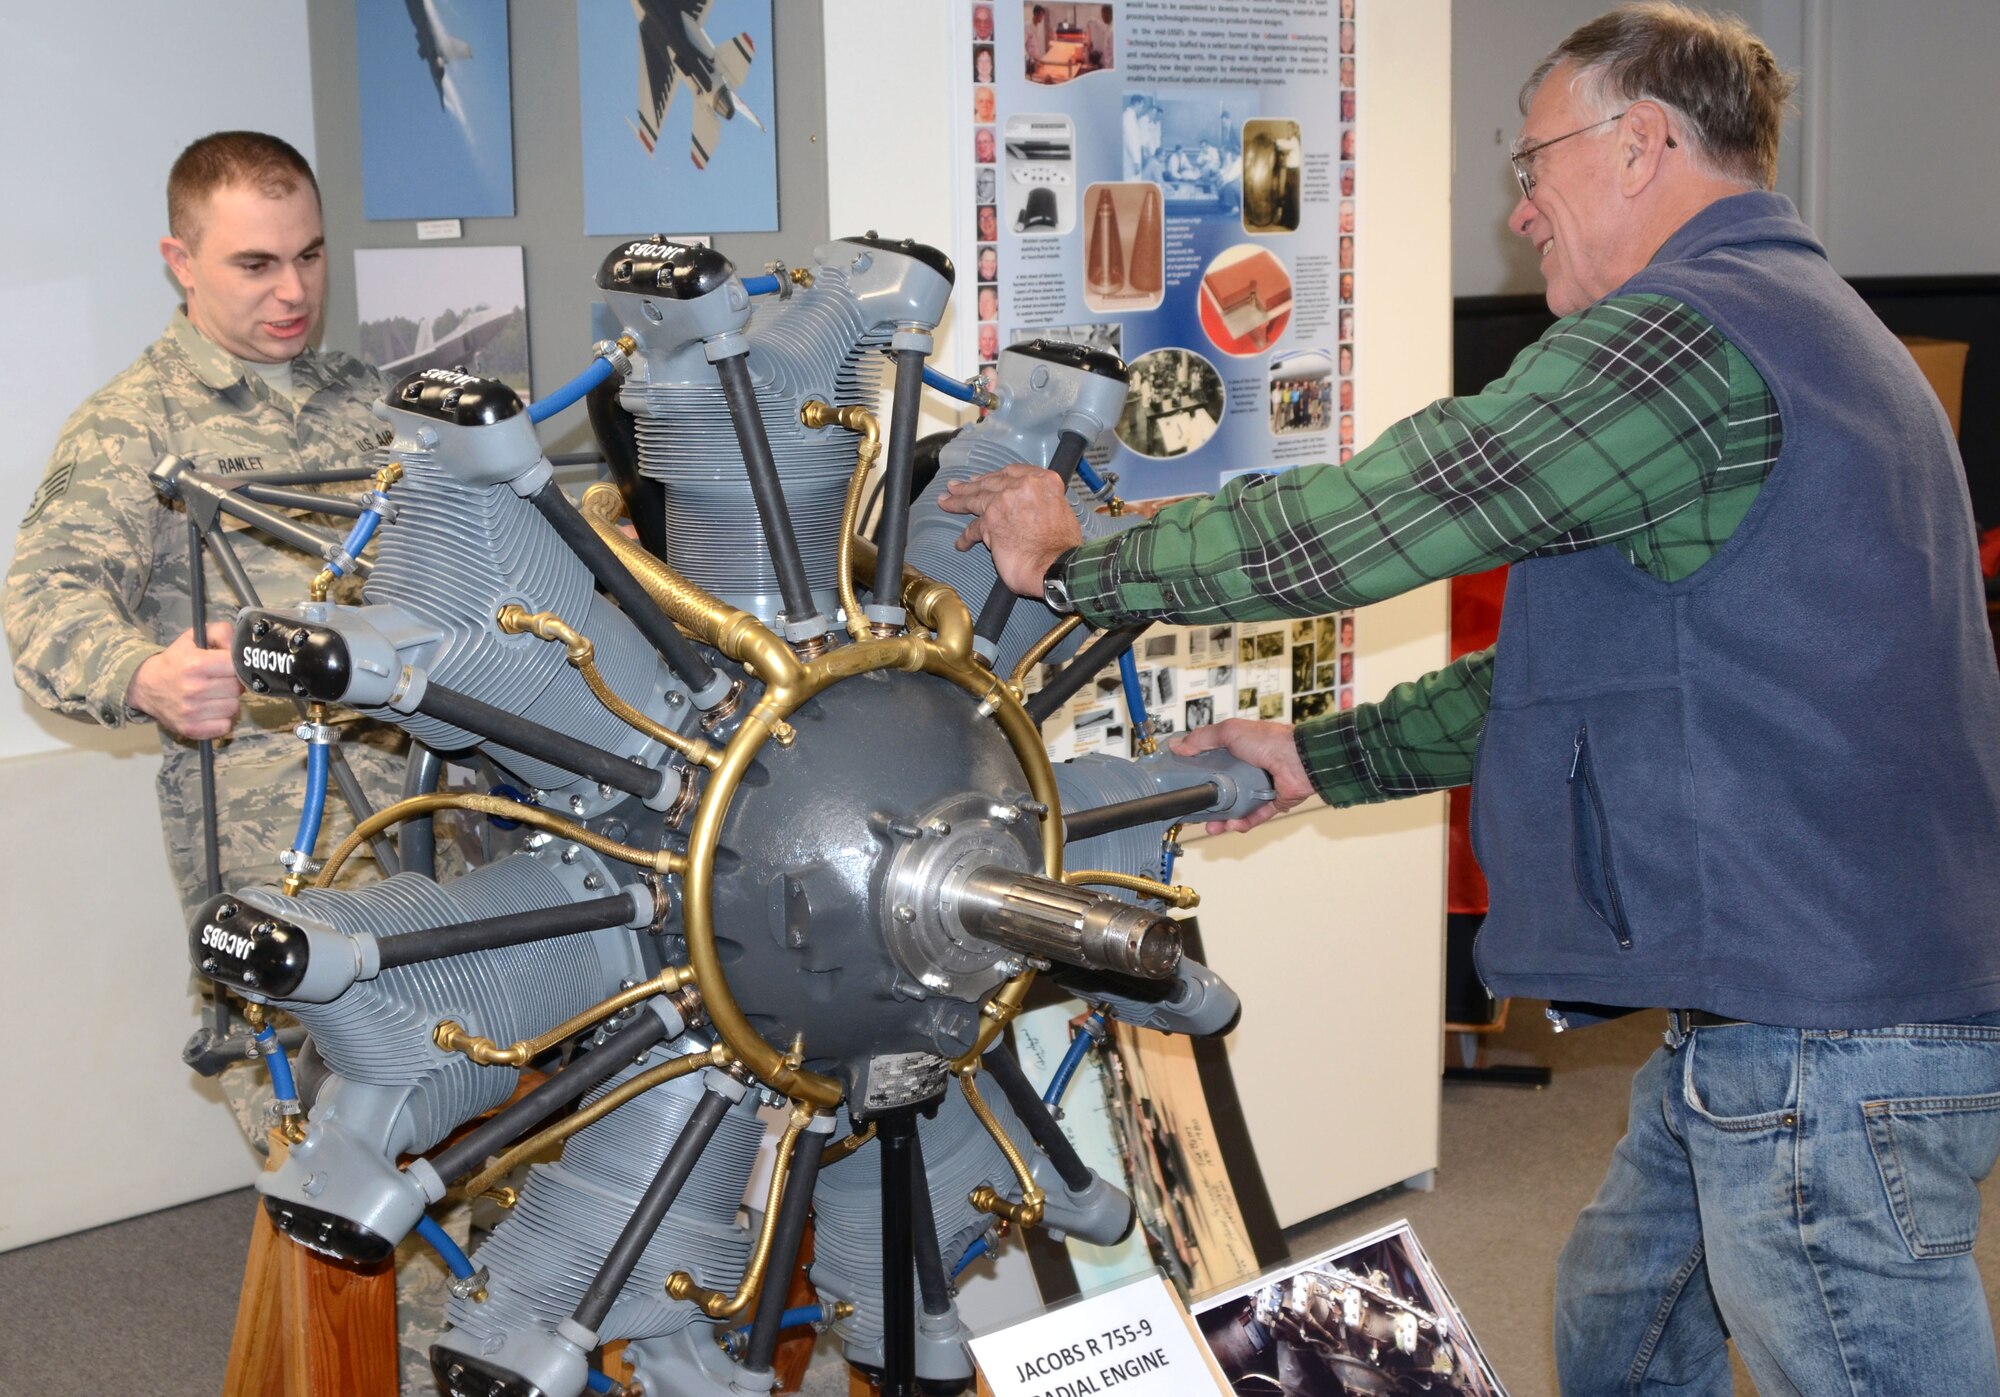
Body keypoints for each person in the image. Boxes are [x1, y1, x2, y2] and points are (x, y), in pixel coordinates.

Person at [940, 7, 2000, 1391]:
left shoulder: (1684, 339)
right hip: (1779, 1001)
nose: (1519, 207)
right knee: (1617, 1325)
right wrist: (1319, 754)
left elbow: (1403, 507)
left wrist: (1097, 561)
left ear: (1640, 145)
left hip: (1823, 1033)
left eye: (1533, 162)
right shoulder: (1805, 323)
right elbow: (1594, 686)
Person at [4, 130, 456, 1396]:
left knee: (486, 1159)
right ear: (177, 260)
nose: (292, 290)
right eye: (254, 262)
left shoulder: (375, 405)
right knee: (381, 1213)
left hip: (436, 845)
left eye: (309, 254)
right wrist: (145, 671)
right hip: (277, 875)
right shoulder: (136, 427)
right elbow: (43, 608)